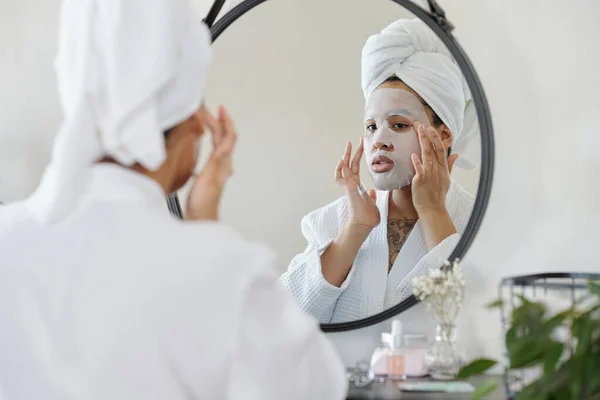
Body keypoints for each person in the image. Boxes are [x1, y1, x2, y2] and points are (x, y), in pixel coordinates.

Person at [0, 0, 347, 398]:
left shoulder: (7, 241)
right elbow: (313, 389)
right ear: (193, 121)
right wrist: (207, 228)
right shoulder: (222, 271)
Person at [279, 19, 476, 324]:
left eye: (399, 124)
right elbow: (282, 319)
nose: (379, 141)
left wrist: (434, 210)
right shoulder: (333, 221)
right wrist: (355, 229)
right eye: (371, 126)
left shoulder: (476, 219)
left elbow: (470, 320)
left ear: (444, 134)